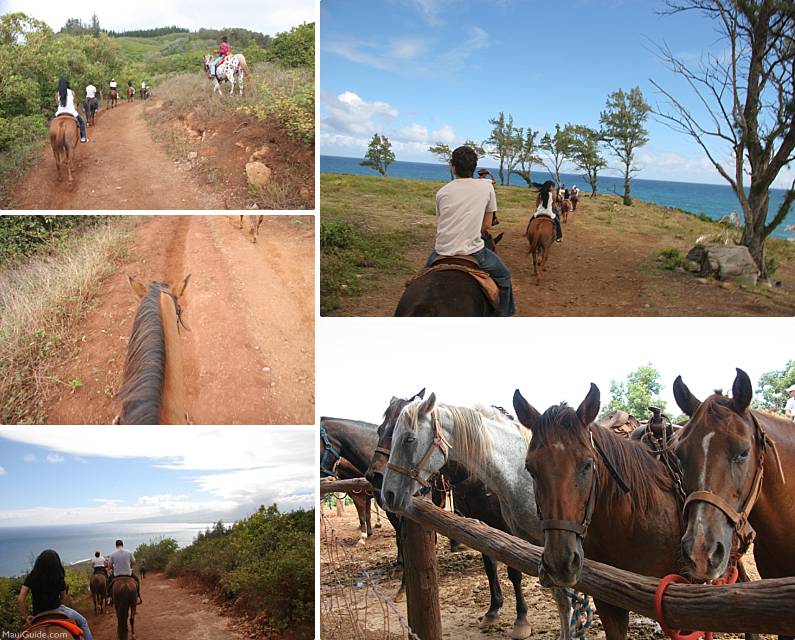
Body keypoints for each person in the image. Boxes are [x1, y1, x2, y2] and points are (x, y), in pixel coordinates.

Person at [425, 145, 515, 316]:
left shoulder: (441, 192)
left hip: (442, 251)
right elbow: (487, 225)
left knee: (418, 280)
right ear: (474, 168)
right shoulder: (486, 187)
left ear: (452, 167)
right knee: (504, 276)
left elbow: (442, 222)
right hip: (474, 252)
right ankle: (505, 314)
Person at [17, 549, 95, 640]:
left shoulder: (31, 577)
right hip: (57, 609)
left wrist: (26, 617)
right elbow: (63, 597)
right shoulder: (59, 576)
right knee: (83, 622)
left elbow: (20, 599)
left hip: (37, 613)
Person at [107, 539, 142, 605]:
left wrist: (114, 568)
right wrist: (130, 566)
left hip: (117, 575)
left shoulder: (112, 554)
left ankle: (109, 597)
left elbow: (110, 565)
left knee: (108, 582)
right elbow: (133, 562)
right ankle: (138, 596)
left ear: (116, 545)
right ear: (122, 545)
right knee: (137, 580)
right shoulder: (129, 552)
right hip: (128, 574)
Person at [54, 77, 87, 143]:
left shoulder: (57, 94)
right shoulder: (72, 92)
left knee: (51, 123)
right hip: (71, 112)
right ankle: (83, 137)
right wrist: (74, 108)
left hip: (59, 112)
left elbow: (57, 104)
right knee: (82, 122)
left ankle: (52, 139)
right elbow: (75, 103)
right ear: (67, 84)